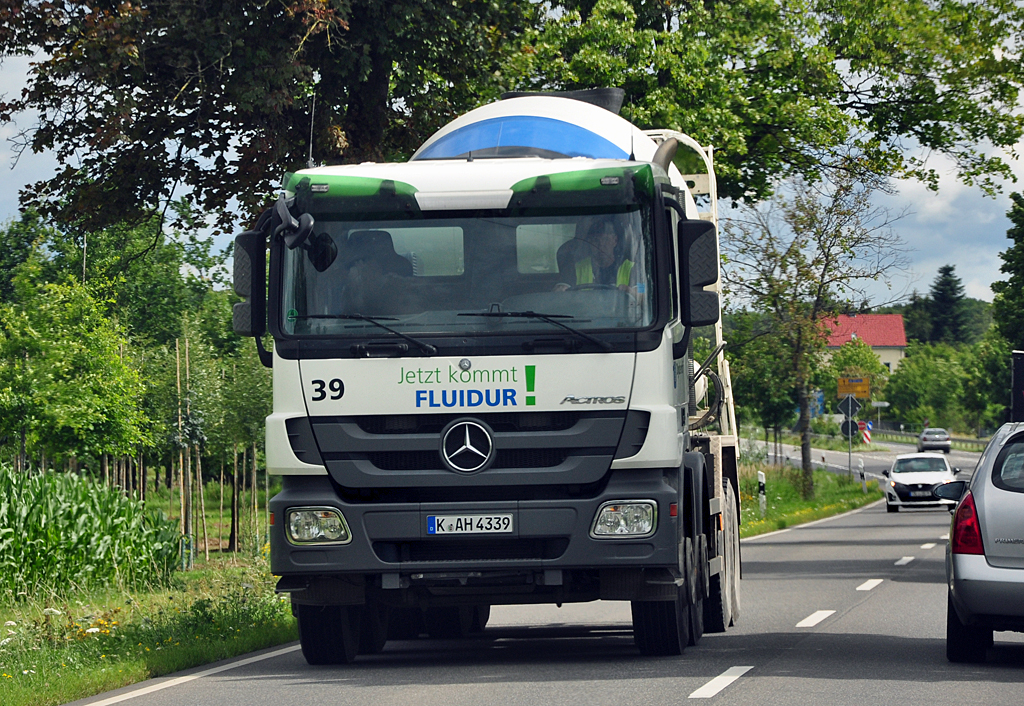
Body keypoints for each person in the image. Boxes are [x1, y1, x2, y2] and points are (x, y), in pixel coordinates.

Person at [555, 218, 634, 291]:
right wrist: (560, 289)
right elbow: (561, 288)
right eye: (596, 240)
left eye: (606, 239)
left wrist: (633, 292)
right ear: (589, 243)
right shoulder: (576, 268)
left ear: (615, 240)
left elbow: (641, 291)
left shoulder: (631, 267)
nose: (601, 245)